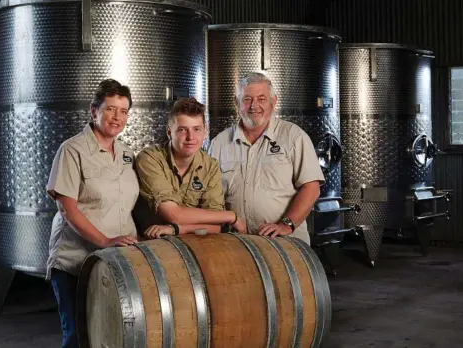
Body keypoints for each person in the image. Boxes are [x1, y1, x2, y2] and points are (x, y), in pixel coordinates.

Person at [45, 79, 139, 348]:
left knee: (109, 335)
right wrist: (105, 241)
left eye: (123, 111)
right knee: (79, 337)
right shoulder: (72, 150)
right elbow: (67, 208)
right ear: (94, 110)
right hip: (76, 262)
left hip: (116, 262)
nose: (117, 117)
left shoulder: (126, 153)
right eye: (110, 109)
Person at [207, 72, 324, 245]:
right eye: (247, 99)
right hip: (237, 243)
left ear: (273, 101)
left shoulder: (293, 136)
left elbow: (311, 187)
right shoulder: (219, 143)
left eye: (261, 99)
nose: (254, 106)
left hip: (286, 242)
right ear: (236, 103)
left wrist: (287, 224)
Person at [135, 97, 246, 239]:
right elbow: (173, 214)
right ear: (169, 132)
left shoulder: (210, 166)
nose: (190, 137)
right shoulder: (150, 159)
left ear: (205, 132)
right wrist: (230, 216)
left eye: (197, 129)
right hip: (150, 248)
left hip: (193, 246)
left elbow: (216, 225)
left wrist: (177, 229)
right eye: (182, 130)